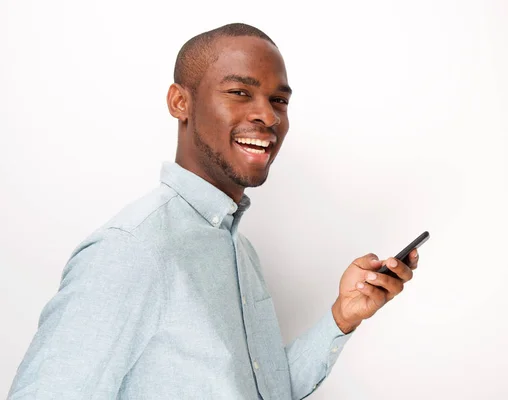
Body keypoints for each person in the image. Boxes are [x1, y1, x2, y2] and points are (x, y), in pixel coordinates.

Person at [8, 23, 419, 399]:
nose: (269, 115)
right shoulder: (130, 250)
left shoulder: (238, 250)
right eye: (240, 93)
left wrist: (341, 318)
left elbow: (265, 391)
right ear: (179, 102)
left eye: (279, 100)